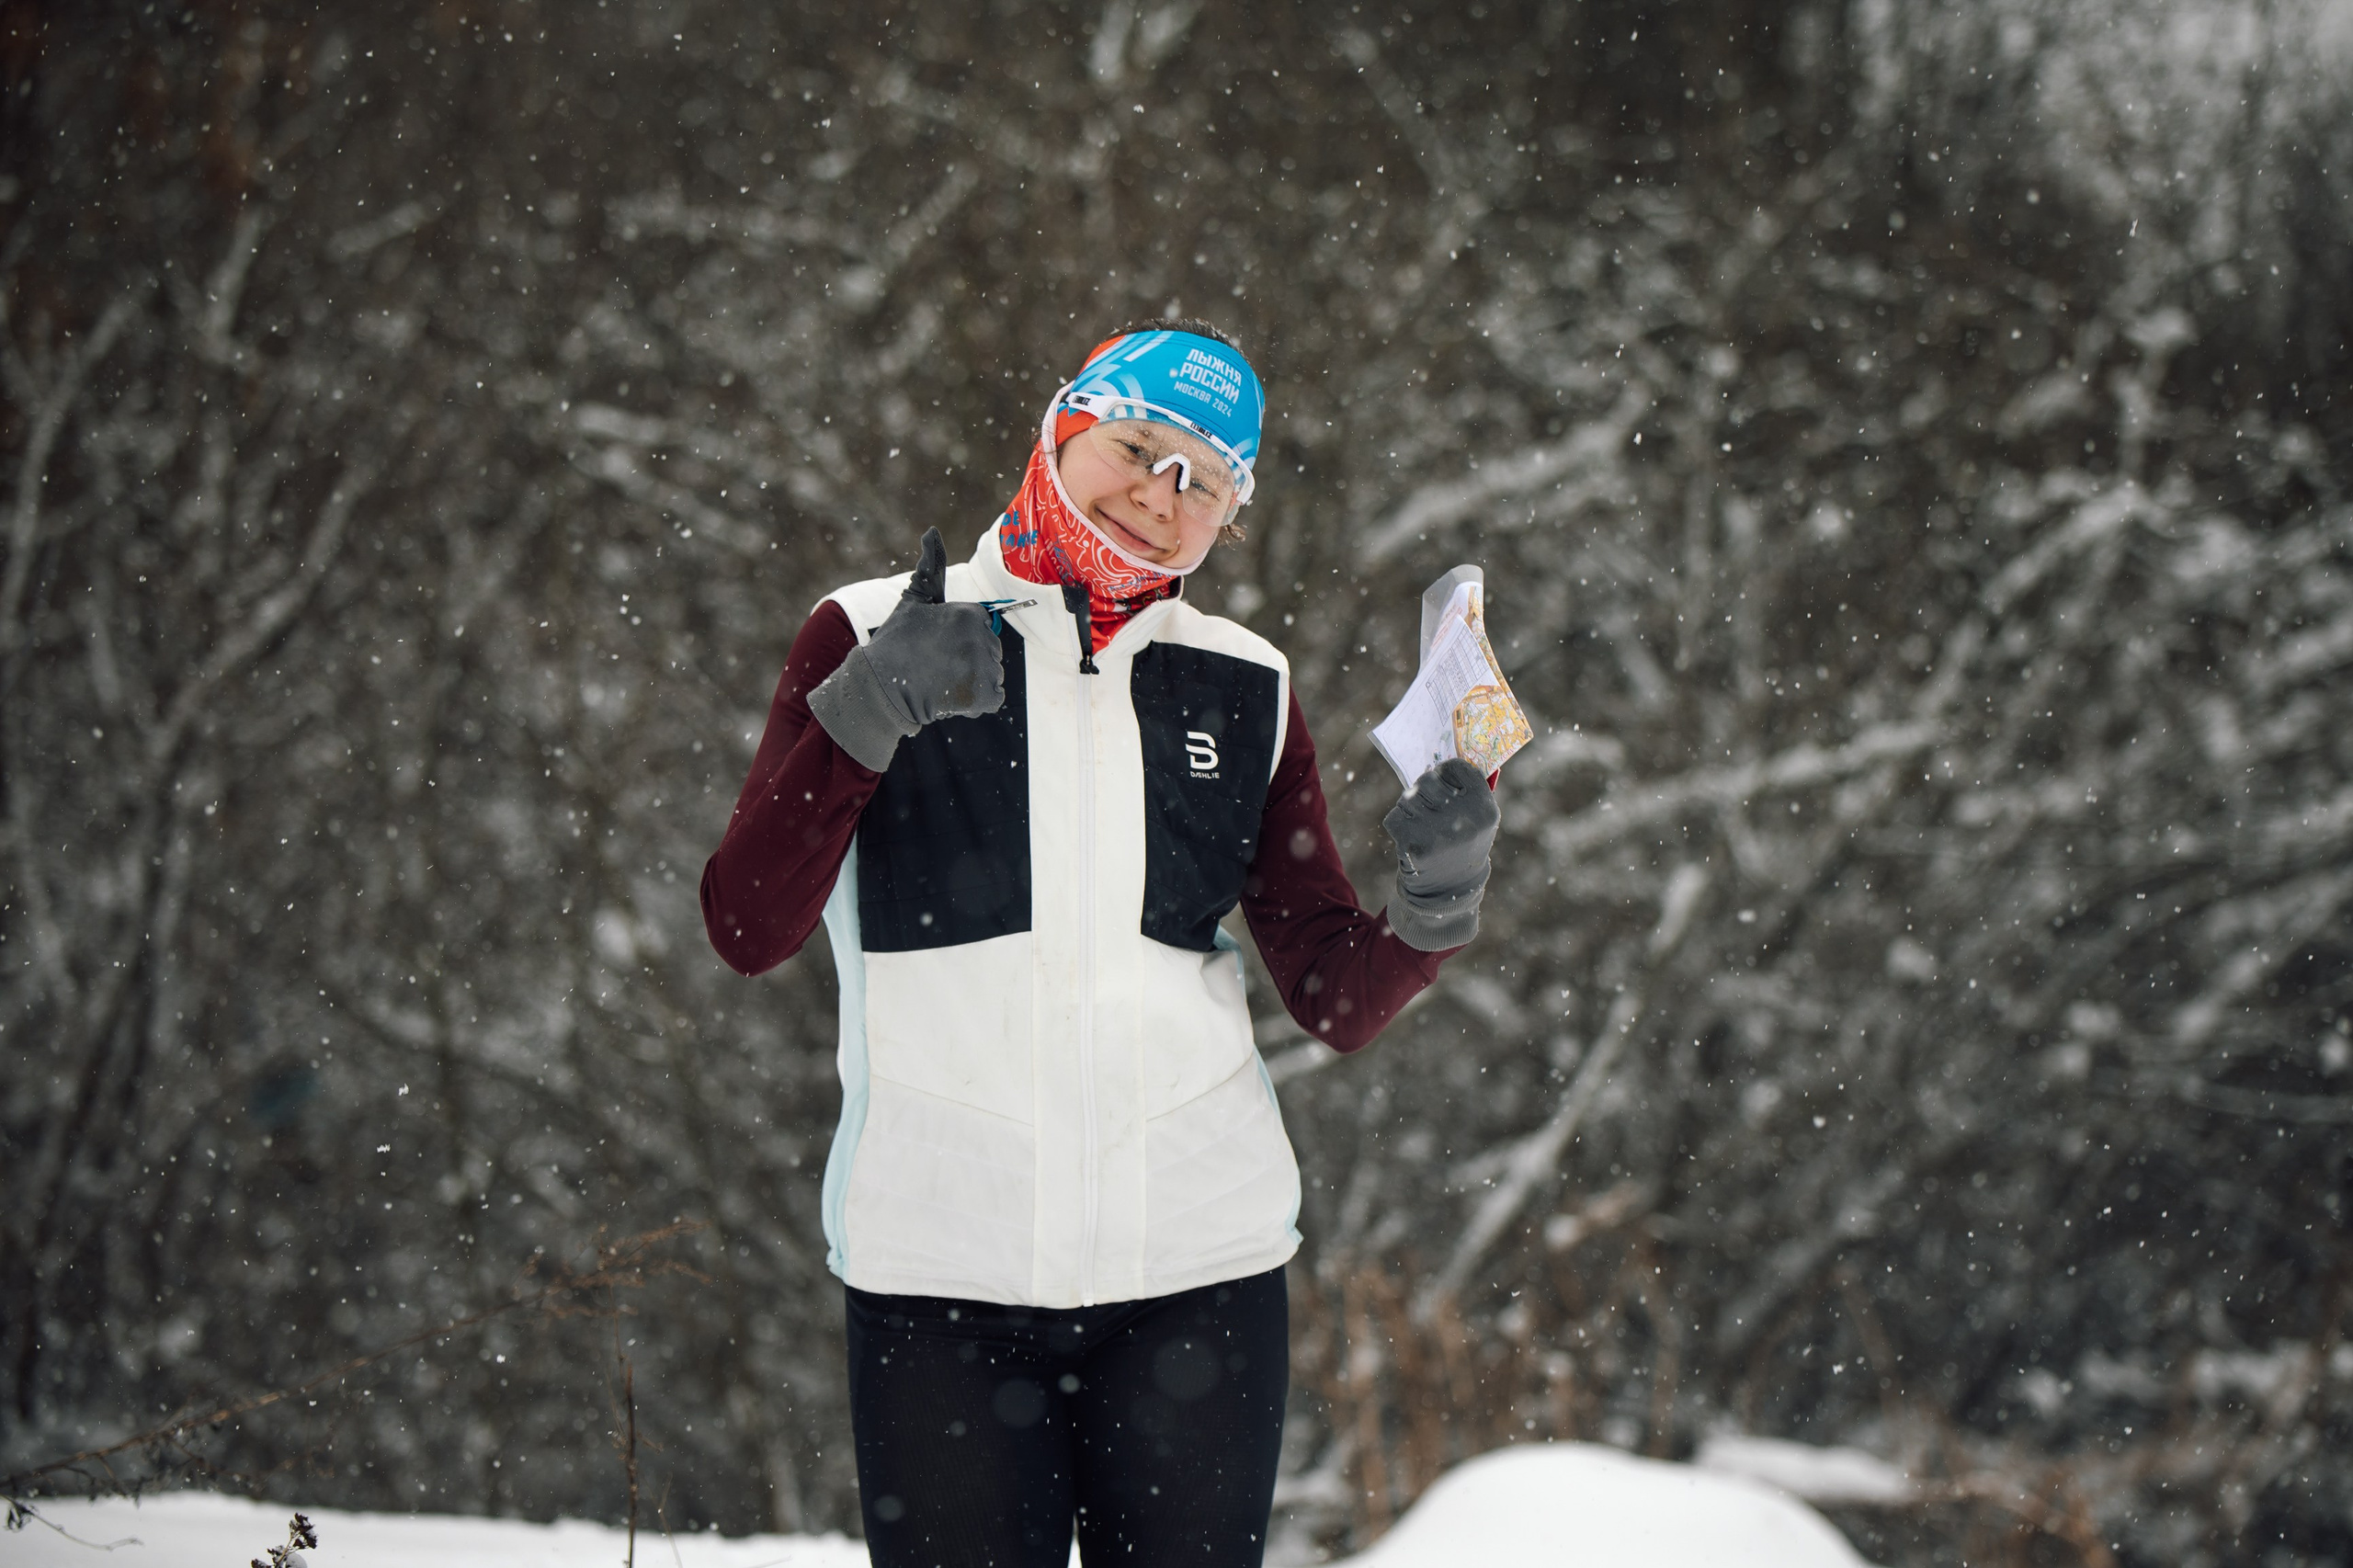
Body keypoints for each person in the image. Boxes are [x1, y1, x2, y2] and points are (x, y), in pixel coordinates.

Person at [700, 320, 1498, 1568]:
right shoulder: (872, 630)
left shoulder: (1246, 685)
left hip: (1200, 1284)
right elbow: (748, 924)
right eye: (1138, 447)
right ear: (1065, 423)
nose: (1159, 497)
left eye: (1207, 483)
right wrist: (867, 716)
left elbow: (1333, 994)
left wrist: (1434, 904)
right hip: (939, 1283)